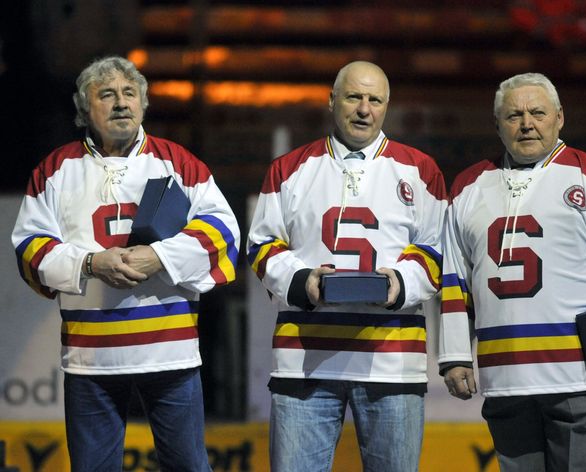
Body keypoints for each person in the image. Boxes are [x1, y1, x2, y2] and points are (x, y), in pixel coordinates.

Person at [11, 56, 240, 471]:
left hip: (170, 353)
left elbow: (224, 232)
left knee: (188, 466)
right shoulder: (55, 169)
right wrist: (89, 263)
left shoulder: (178, 161)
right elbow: (28, 248)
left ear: (143, 104)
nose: (121, 103)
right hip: (90, 359)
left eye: (129, 93)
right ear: (84, 110)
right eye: (107, 95)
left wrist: (160, 256)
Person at [438, 72, 586, 471]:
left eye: (537, 112)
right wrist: (455, 355)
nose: (527, 123)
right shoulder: (467, 186)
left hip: (576, 374)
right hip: (504, 378)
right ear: (496, 125)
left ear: (560, 118)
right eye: (514, 115)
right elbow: (455, 282)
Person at [247, 61, 448, 472]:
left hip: (393, 361)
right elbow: (261, 245)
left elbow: (438, 250)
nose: (364, 109)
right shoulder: (288, 169)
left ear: (387, 106)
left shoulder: (421, 170)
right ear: (332, 100)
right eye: (354, 97)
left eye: (375, 100)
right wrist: (304, 282)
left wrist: (399, 284)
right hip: (304, 364)